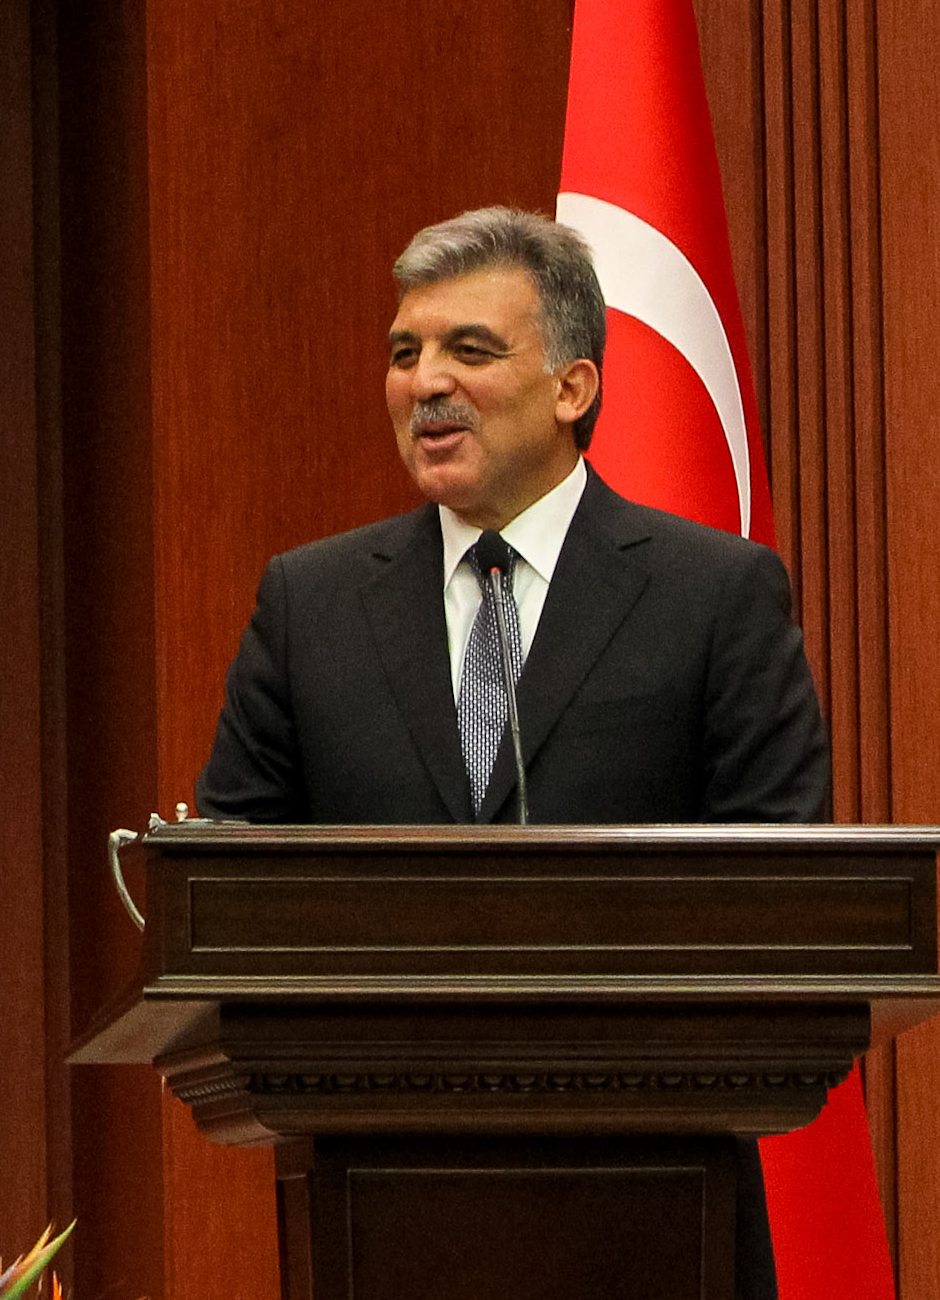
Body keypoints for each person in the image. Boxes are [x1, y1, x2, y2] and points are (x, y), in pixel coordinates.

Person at [193, 204, 828, 1296]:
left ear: (572, 387)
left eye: (467, 350)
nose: (423, 383)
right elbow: (223, 873)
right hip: (376, 1196)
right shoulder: (310, 602)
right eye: (404, 353)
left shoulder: (710, 595)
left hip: (653, 1199)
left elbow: (779, 877)